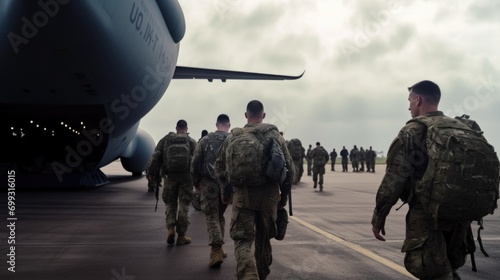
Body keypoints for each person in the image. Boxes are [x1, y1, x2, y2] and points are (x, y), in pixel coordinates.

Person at [371, 80, 477, 279]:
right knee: (449, 268)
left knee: (433, 272)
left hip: (427, 214)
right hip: (459, 215)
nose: (408, 106)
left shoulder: (413, 131)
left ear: (418, 100)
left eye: (410, 100)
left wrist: (379, 217)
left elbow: (394, 179)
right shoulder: (459, 127)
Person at [215, 100, 294, 280]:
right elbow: (289, 168)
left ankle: (248, 275)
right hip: (269, 197)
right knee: (263, 238)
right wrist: (284, 198)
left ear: (246, 115)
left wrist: (225, 192)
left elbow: (219, 167)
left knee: (242, 240)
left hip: (243, 196)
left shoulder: (234, 137)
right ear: (263, 116)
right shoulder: (275, 136)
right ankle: (262, 274)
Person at [191, 114, 231, 268]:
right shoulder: (232, 139)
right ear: (229, 124)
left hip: (209, 184)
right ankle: (220, 248)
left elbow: (195, 162)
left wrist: (196, 183)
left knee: (212, 217)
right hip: (226, 185)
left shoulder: (206, 139)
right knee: (220, 216)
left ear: (216, 124)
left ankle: (215, 251)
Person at [148, 119, 197, 245]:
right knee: (184, 205)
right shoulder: (190, 141)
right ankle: (181, 236)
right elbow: (197, 159)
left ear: (176, 128)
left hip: (170, 177)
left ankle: (170, 229)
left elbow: (155, 156)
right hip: (186, 178)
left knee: (170, 204)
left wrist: (151, 174)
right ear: (186, 128)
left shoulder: (166, 140)